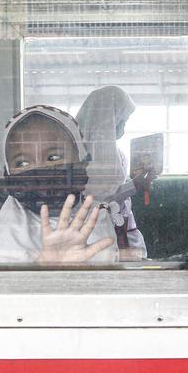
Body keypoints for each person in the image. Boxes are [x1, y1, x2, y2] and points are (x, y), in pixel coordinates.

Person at [0, 105, 117, 264]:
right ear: (8, 175)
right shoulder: (5, 239)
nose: (40, 171)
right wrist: (46, 266)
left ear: (81, 162)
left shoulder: (96, 216)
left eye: (53, 157)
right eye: (23, 163)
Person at [76, 86, 149, 259]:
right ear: (108, 119)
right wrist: (134, 185)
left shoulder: (116, 151)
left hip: (122, 219)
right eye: (122, 120)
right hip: (98, 229)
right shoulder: (84, 155)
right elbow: (101, 199)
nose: (124, 126)